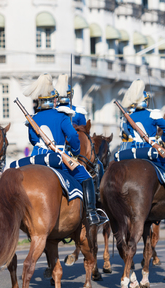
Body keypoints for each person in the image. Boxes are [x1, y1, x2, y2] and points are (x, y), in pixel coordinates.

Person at [24, 73, 107, 226]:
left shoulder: (33, 119)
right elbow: (73, 137)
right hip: (58, 157)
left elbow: (33, 140)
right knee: (86, 177)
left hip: (36, 158)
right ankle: (91, 214)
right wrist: (75, 152)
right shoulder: (61, 116)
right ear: (54, 100)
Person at [119, 79, 165, 212]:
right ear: (146, 101)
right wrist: (163, 140)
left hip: (132, 151)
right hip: (150, 150)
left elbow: (126, 131)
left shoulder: (129, 117)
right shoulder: (152, 114)